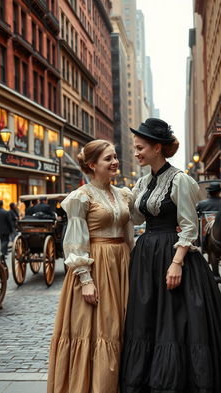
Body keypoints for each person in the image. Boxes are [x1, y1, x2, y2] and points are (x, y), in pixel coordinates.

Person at [120, 118, 221, 393]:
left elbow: (190, 226)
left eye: (140, 147)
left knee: (175, 320)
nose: (136, 153)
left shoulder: (180, 180)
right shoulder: (144, 181)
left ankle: (175, 380)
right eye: (135, 148)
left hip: (172, 252)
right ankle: (145, 377)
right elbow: (135, 218)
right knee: (147, 318)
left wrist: (177, 263)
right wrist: (125, 197)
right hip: (147, 256)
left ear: (157, 148)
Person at [47, 140, 133, 393]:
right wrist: (85, 279)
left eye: (115, 157)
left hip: (122, 265)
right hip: (96, 265)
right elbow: (74, 241)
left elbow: (129, 231)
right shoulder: (80, 198)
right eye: (108, 158)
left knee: (121, 326)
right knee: (100, 328)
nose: (115, 162)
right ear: (92, 165)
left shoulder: (123, 194)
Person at [0, 200, 13, 275]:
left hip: (0, 229)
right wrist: (11, 230)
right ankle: (3, 252)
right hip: (5, 229)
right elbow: (9, 222)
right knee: (6, 241)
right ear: (2, 204)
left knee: (2, 240)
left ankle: (3, 252)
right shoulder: (5, 212)